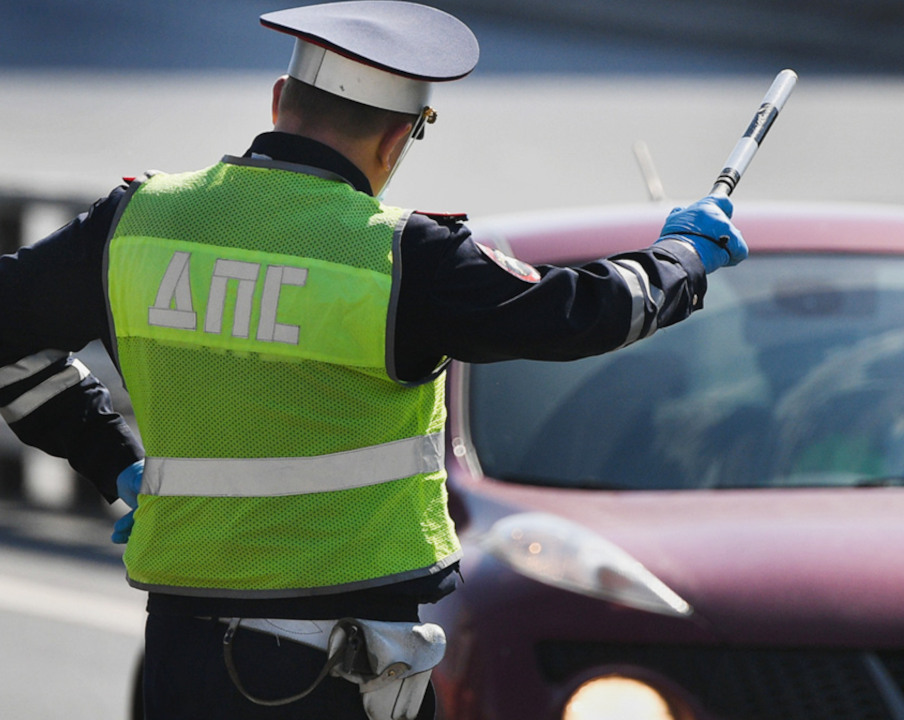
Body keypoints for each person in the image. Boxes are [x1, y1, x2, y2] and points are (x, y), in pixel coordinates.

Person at [0, 2, 747, 718]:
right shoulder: (401, 258)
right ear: (398, 138)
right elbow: (584, 313)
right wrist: (680, 257)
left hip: (179, 656)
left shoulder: (135, 223)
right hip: (330, 671)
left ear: (277, 100)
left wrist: (113, 459)